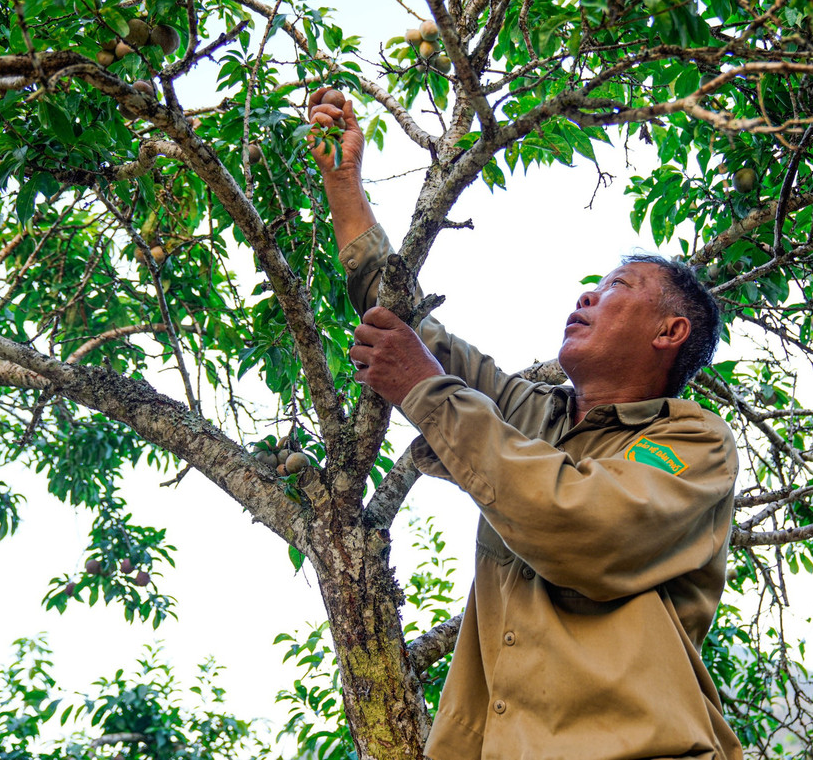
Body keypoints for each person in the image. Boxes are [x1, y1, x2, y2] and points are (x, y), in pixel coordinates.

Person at [308, 88, 743, 760]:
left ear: (670, 330)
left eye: (618, 288)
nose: (587, 294)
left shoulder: (694, 442)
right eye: (593, 284)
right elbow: (403, 324)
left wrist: (425, 388)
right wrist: (344, 186)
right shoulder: (530, 415)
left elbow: (584, 523)